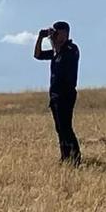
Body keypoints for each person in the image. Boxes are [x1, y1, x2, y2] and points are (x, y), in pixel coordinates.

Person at [33, 21, 81, 165]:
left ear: (65, 33)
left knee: (66, 127)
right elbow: (38, 55)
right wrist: (40, 38)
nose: (54, 36)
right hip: (55, 95)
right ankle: (65, 157)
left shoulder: (71, 49)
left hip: (66, 94)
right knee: (59, 128)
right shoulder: (56, 51)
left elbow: (63, 55)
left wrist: (56, 42)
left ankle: (76, 158)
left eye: (57, 32)